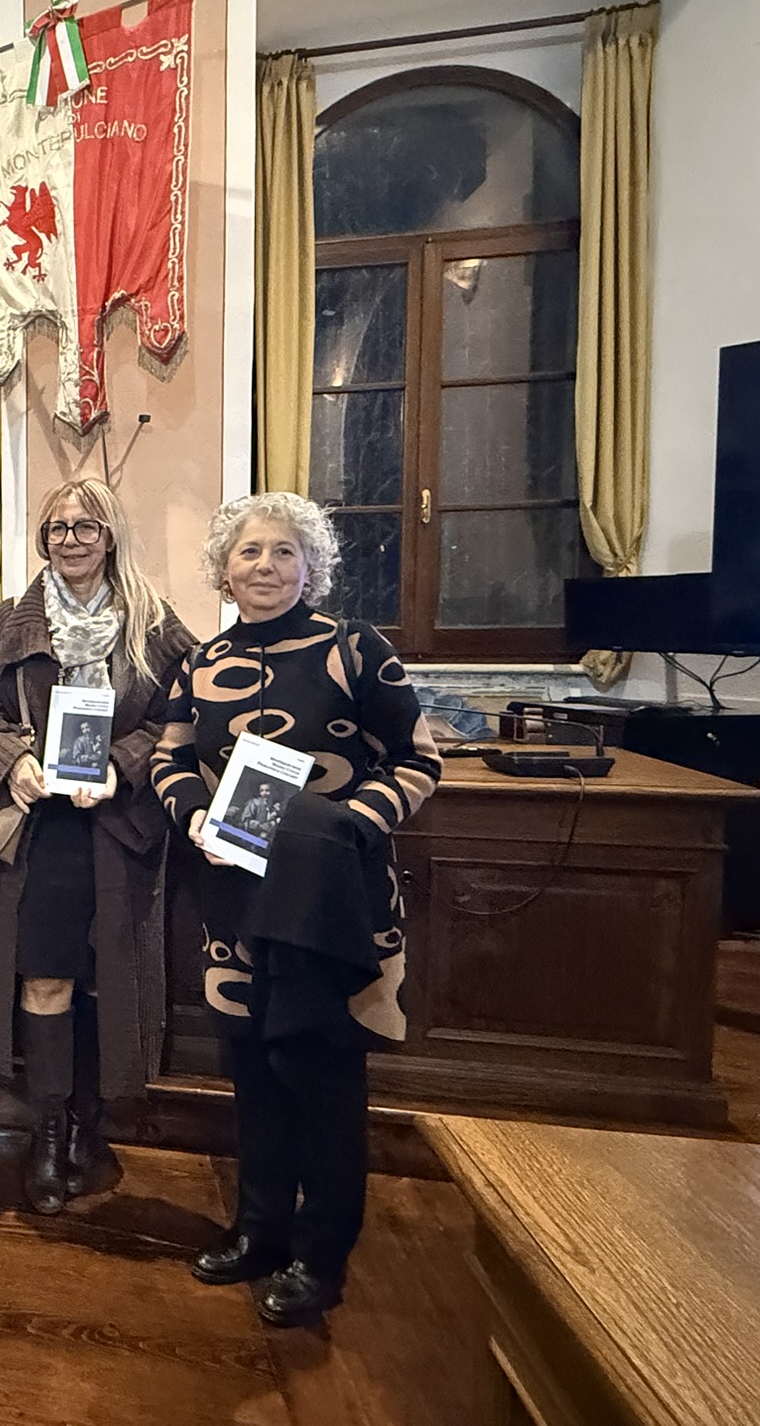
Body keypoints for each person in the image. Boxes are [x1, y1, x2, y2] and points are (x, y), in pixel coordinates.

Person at [153, 492, 441, 1326]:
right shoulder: (199, 662)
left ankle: (323, 1254)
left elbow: (417, 761)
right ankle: (260, 1232)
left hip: (331, 902)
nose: (267, 567)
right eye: (250, 553)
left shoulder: (357, 648)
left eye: (285, 552)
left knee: (320, 1073)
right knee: (253, 1072)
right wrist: (195, 815)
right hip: (236, 897)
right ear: (223, 569)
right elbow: (171, 765)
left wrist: (348, 823)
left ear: (310, 565)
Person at [0, 478, 194, 1215]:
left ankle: (93, 1125)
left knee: (106, 981)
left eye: (85, 527)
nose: (70, 540)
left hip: (117, 829)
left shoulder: (155, 624)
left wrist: (120, 768)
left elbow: (177, 722)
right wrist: (15, 763)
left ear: (111, 535)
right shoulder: (10, 623)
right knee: (45, 980)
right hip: (41, 836)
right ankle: (49, 1129)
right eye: (57, 528)